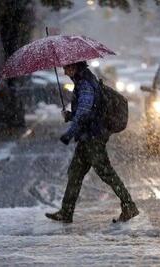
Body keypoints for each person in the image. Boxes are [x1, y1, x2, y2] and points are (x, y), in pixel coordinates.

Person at [45, 61, 139, 223]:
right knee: (75, 173)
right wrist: (70, 116)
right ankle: (66, 212)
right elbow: (84, 112)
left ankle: (129, 205)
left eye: (67, 68)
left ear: (75, 67)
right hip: (86, 138)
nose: (65, 72)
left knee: (106, 173)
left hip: (93, 138)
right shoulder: (84, 81)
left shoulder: (85, 85)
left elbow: (84, 113)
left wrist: (69, 133)